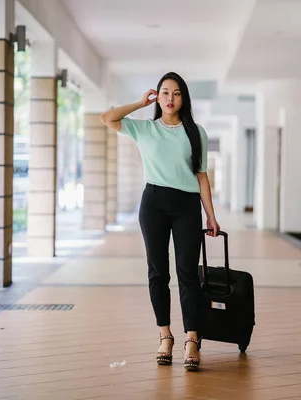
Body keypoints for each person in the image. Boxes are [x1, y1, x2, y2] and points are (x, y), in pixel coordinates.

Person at [101, 72, 220, 372]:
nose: (170, 98)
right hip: (153, 203)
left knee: (187, 274)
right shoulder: (145, 129)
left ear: (183, 98)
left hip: (187, 206)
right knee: (157, 273)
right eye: (165, 92)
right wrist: (140, 103)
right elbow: (107, 118)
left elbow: (202, 176)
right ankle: (164, 335)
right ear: (158, 97)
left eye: (176, 93)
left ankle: (192, 339)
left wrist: (211, 215)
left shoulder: (196, 133)